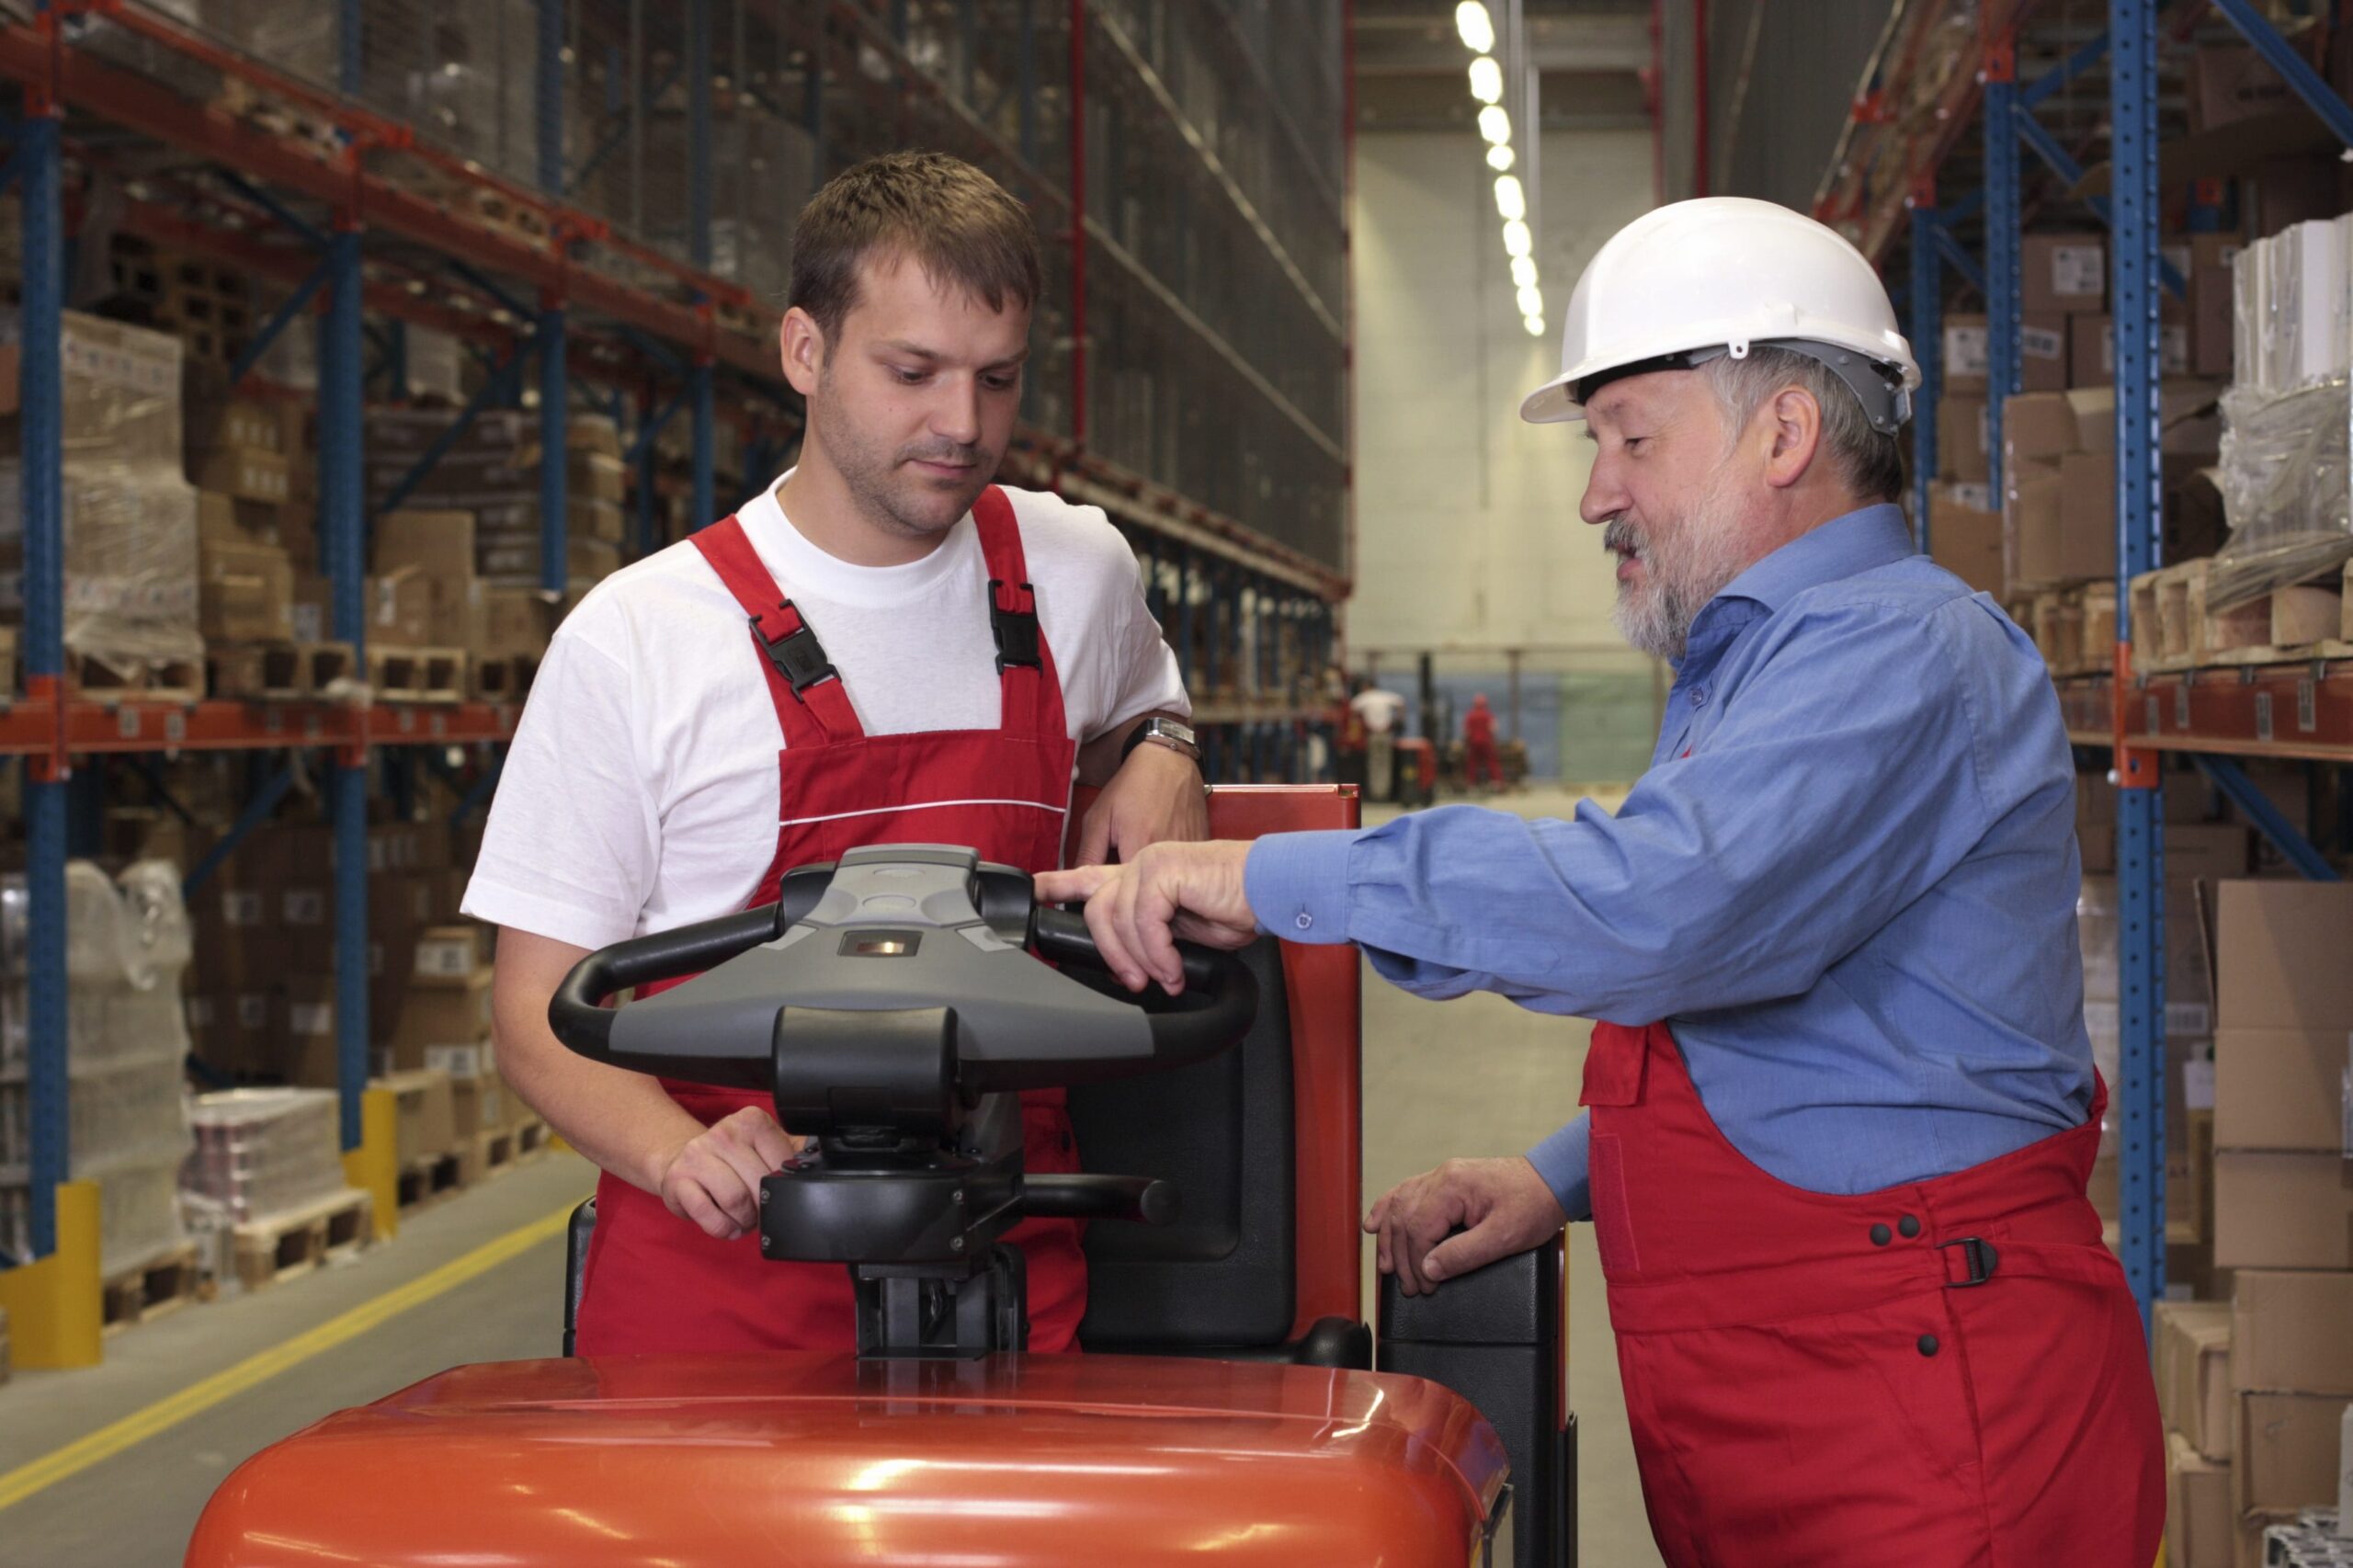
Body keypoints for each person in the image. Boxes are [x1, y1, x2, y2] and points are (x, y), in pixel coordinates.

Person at [1039, 197, 2163, 1565]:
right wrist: (1557, 1174)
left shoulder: (1902, 650)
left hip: (1931, 1408)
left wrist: (1280, 874)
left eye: (1632, 437)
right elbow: (1807, 1036)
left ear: (1786, 433)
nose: (1595, 493)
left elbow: (1664, 908)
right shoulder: (1757, 667)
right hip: (1806, 1393)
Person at [467, 152, 1207, 1358]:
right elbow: (530, 1009)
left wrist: (1165, 740)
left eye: (997, 379)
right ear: (805, 350)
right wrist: (673, 1151)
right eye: (911, 373)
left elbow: (1146, 693)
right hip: (725, 1271)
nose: (961, 426)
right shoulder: (643, 637)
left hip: (1010, 1265)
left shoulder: (1079, 570)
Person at [1461, 693, 1499, 790]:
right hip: (1486, 742)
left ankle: (1471, 783)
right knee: (1491, 761)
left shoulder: (1470, 715)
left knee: (1472, 763)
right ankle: (1495, 782)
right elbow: (1493, 729)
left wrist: (1466, 742)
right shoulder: (1488, 715)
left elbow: (1466, 732)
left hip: (1473, 743)